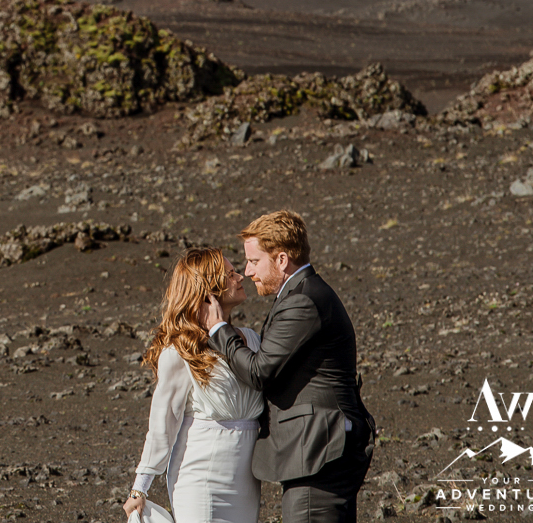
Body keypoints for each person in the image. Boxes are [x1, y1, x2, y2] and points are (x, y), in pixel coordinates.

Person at [202, 210, 374, 523]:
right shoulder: (303, 294)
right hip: (321, 450)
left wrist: (218, 330)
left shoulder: (302, 300)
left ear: (282, 260)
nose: (247, 271)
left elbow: (259, 372)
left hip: (318, 451)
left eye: (254, 261)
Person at [124, 247, 263, 523]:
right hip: (199, 479)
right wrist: (140, 488)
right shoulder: (182, 351)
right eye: (230, 274)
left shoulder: (253, 340)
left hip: (247, 480)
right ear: (207, 290)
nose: (241, 277)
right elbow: (163, 422)